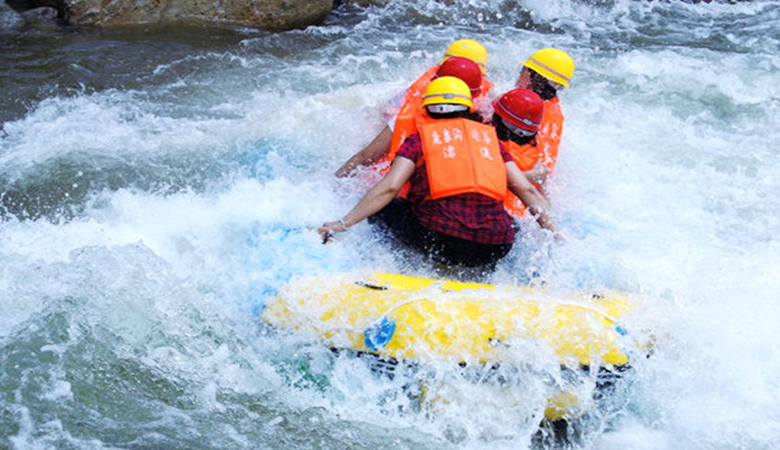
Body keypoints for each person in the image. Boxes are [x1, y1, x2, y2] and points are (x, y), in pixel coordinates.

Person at [319, 76, 557, 270]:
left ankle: (391, 266)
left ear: (428, 110)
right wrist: (557, 235)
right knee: (510, 224)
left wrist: (342, 222)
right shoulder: (490, 140)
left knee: (387, 206)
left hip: (438, 240)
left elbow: (390, 187)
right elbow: (525, 190)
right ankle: (488, 275)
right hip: (493, 248)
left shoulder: (419, 139)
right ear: (469, 108)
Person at [334, 39, 494, 178]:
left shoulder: (410, 109)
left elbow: (365, 155)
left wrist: (332, 183)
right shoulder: (481, 118)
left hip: (386, 183)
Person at [512, 48, 575, 189]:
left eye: (524, 69)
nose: (520, 74)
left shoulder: (524, 107)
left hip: (511, 190)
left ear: (530, 76)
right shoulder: (554, 110)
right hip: (532, 192)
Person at [491, 88, 548, 218]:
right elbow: (545, 203)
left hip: (499, 217)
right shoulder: (536, 153)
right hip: (527, 220)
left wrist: (527, 176)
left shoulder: (491, 145)